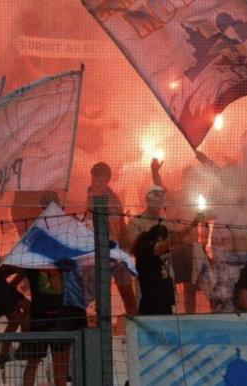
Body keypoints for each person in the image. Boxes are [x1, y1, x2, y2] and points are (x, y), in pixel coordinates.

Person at [21, 267, 88, 386]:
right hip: (42, 320)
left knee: (59, 366)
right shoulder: (35, 268)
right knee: (34, 363)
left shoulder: (66, 269)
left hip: (59, 321)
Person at [87, 162, 137, 317]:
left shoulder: (113, 197)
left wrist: (126, 246)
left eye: (102, 177)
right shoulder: (90, 195)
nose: (98, 181)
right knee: (101, 292)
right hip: (100, 252)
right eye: (96, 177)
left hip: (118, 250)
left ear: (108, 179)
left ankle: (135, 321)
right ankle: (102, 324)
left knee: (126, 290)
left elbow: (121, 223)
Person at [134, 216, 202, 316]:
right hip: (151, 308)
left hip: (165, 306)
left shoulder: (163, 255)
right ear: (158, 239)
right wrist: (192, 225)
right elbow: (170, 242)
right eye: (165, 239)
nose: (170, 247)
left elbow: (174, 241)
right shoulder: (146, 250)